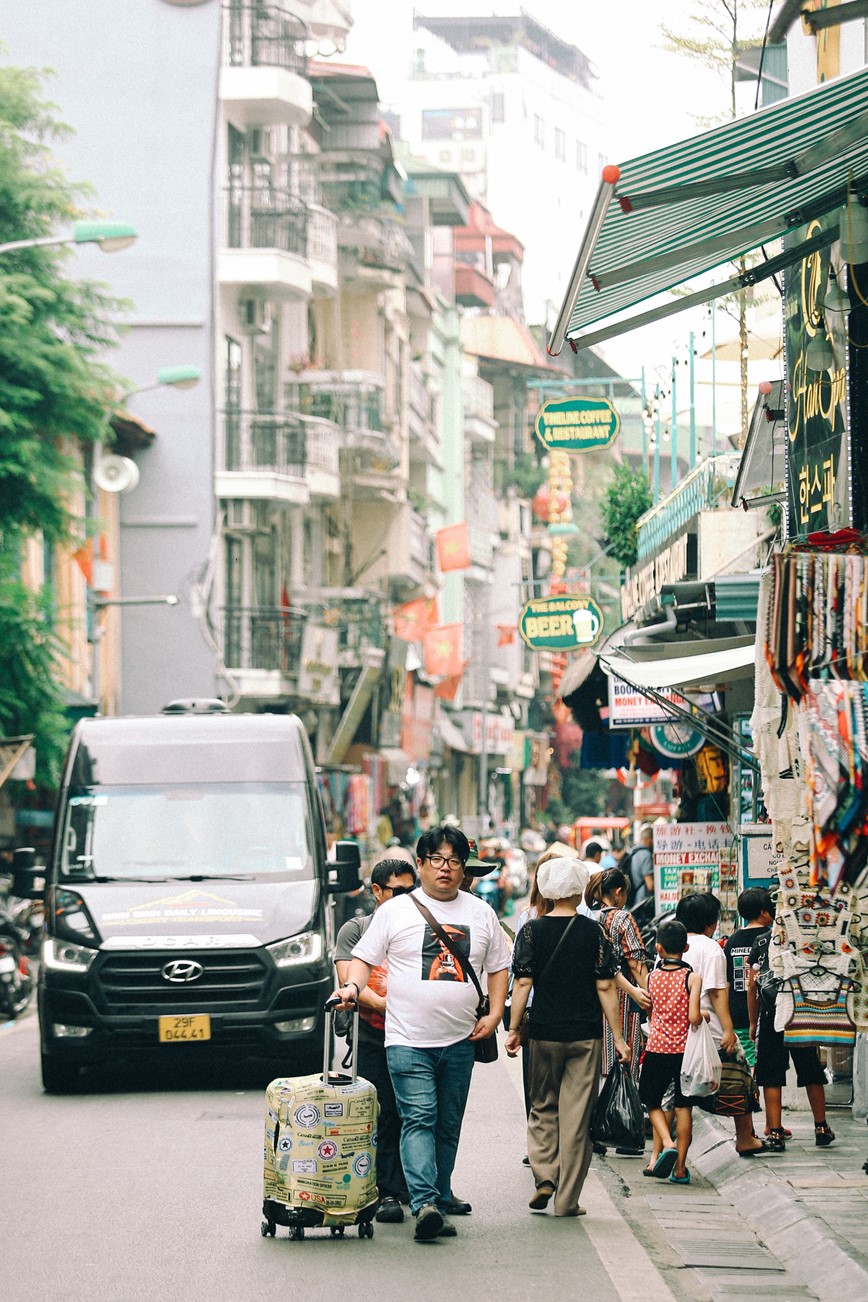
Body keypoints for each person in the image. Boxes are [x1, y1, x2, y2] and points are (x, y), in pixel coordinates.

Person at [331, 824, 511, 1242]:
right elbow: (363, 957)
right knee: (418, 1118)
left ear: (463, 868)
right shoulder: (394, 911)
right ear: (421, 864)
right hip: (407, 1039)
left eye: (453, 862)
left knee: (448, 1123)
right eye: (436, 861)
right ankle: (425, 1201)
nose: (445, 869)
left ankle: (439, 1193)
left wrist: (497, 1013)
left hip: (461, 1040)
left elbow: (500, 966)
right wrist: (353, 988)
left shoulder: (481, 912)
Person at [505, 857, 630, 1218]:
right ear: (580, 889)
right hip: (585, 1035)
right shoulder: (594, 933)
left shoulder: (531, 931)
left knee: (542, 1106)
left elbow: (523, 982)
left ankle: (545, 1175)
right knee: (576, 1117)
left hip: (543, 1033)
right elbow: (606, 987)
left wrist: (514, 1029)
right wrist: (619, 1039)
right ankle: (567, 1201)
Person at [335, 853, 417, 1225]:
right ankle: (384, 1192)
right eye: (396, 891)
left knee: (416, 1115)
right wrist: (389, 1005)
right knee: (382, 1115)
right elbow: (349, 981)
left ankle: (420, 1188)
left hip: (417, 1035)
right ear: (377, 892)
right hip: (373, 1036)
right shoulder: (356, 929)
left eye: (410, 890)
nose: (404, 898)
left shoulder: (420, 925)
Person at [676, 892, 767, 1156]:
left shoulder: (673, 943)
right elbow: (717, 994)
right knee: (740, 1077)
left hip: (677, 1031)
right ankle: (745, 1137)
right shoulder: (710, 948)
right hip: (710, 1031)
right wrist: (729, 1030)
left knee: (679, 1095)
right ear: (709, 922)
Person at [748, 925, 836, 1152]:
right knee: (810, 1068)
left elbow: (752, 986)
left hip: (771, 1013)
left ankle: (775, 1132)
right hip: (800, 1010)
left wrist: (752, 1021)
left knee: (771, 1074)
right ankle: (821, 1127)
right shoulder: (806, 935)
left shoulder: (761, 941)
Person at [586, 867, 650, 1155]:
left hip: (592, 1002)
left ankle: (596, 1131)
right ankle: (622, 1129)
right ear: (619, 892)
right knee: (626, 1062)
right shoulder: (622, 918)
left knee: (599, 1068)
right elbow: (636, 963)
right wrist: (648, 992)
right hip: (624, 1001)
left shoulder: (589, 918)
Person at [639, 919, 704, 1184]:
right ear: (686, 947)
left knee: (652, 1100)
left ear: (658, 948)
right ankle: (680, 1169)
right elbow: (693, 1017)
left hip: (657, 1049)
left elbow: (650, 1012)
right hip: (684, 1053)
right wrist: (705, 1016)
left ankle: (667, 1142)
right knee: (683, 1107)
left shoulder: (651, 978)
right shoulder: (692, 977)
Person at [723, 887, 775, 1068]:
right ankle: (754, 1092)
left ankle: (747, 1091)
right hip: (766, 1009)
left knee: (745, 1058)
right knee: (764, 1061)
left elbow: (727, 979)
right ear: (764, 911)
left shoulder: (733, 940)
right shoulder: (770, 938)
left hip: (737, 1009)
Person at [626, 824, 654, 907]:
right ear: (650, 840)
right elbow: (650, 886)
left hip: (633, 898)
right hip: (643, 901)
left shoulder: (632, 852)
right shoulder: (646, 855)